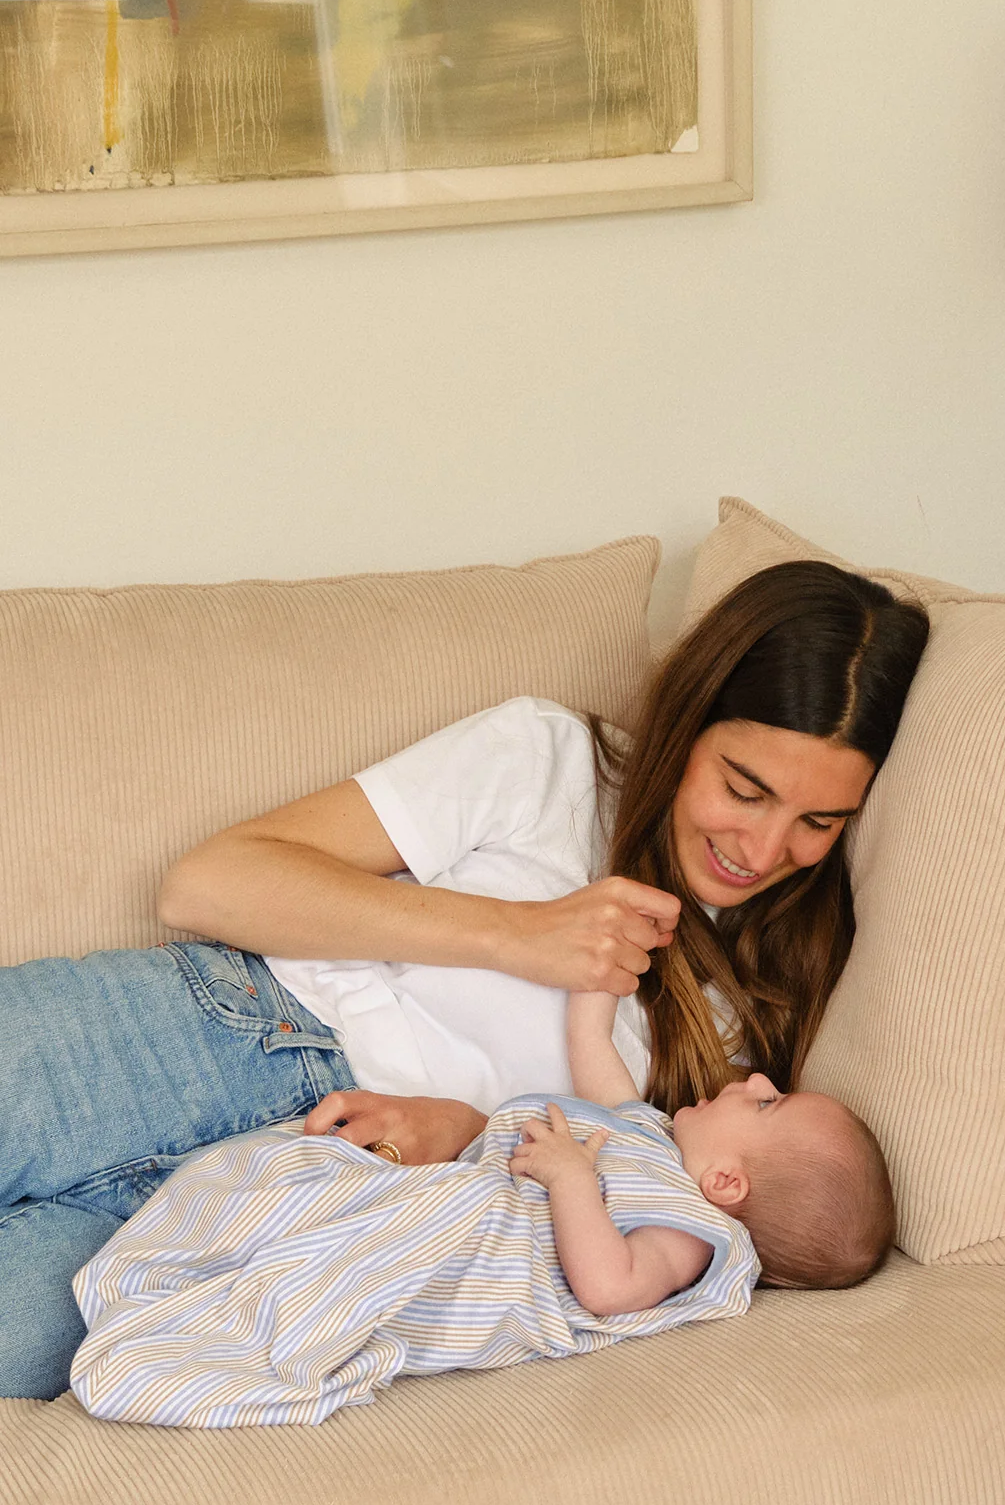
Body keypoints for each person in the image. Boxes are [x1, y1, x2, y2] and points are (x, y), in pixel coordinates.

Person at [0, 561, 929, 1400]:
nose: (764, 851)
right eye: (746, 787)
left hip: (293, 1218)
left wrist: (466, 1128)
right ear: (690, 728)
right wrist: (519, 936)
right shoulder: (550, 762)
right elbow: (206, 884)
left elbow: (615, 1180)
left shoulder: (758, 1011)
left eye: (821, 821)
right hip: (221, 1026)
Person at [68, 991, 893, 1428]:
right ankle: (184, 1257)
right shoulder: (647, 1131)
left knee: (334, 1265)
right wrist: (594, 994)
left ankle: (219, 1318)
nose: (751, 1079)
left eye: (768, 1104)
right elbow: (598, 1068)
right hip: (441, 1189)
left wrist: (571, 1180)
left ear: (729, 1187)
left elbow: (610, 1286)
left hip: (476, 1258)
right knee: (277, 1184)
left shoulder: (695, 1234)